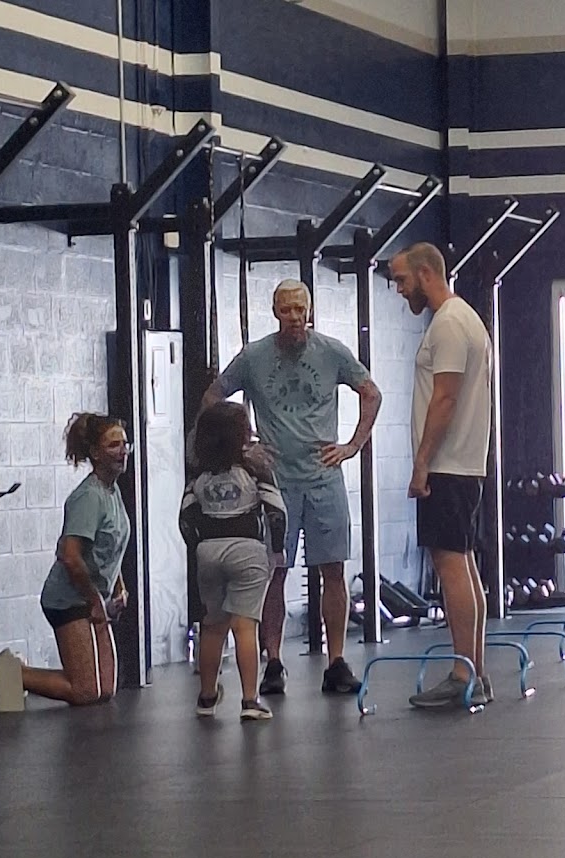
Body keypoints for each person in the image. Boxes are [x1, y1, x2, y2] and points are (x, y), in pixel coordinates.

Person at [200, 279, 382, 696]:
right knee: (274, 571)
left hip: (323, 477)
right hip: (277, 482)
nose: (295, 317)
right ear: (275, 312)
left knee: (332, 569)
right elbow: (213, 397)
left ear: (310, 310)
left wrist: (352, 446)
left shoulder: (331, 351)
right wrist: (243, 446)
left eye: (301, 309)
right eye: (287, 310)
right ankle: (274, 661)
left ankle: (336, 660)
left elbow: (371, 394)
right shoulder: (254, 356)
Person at [389, 242, 495, 709]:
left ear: (426, 273)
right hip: (461, 466)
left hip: (448, 466)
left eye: (402, 280)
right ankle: (476, 672)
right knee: (463, 563)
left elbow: (445, 397)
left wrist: (421, 462)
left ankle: (463, 674)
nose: (399, 290)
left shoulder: (450, 323)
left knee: (451, 565)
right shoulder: (464, 318)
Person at [180, 401, 288, 721]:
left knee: (212, 625)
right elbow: (276, 511)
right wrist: (277, 550)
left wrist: (197, 548)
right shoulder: (255, 470)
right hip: (247, 550)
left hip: (208, 550)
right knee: (245, 626)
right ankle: (250, 701)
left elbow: (185, 518)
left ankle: (207, 696)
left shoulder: (199, 475)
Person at [18, 413, 132, 706]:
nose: (123, 451)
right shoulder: (88, 497)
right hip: (68, 600)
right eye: (113, 445)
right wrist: (94, 600)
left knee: (105, 689)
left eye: (125, 444)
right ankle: (10, 674)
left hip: (93, 596)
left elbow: (112, 547)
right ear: (95, 453)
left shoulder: (113, 491)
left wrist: (118, 587)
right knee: (86, 691)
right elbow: (70, 556)